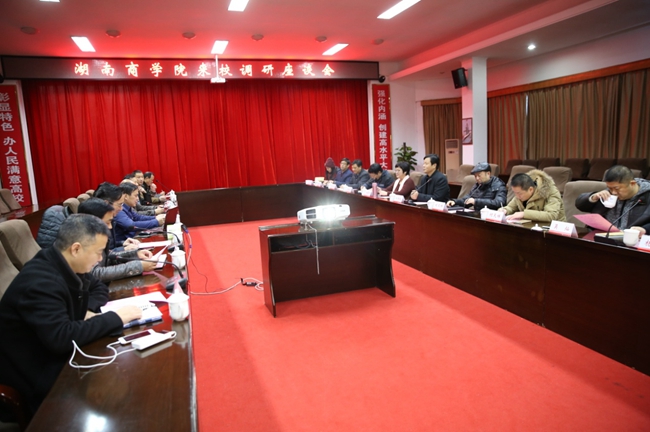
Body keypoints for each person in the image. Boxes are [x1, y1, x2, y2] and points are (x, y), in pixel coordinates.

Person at [0, 214, 142, 415]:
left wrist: (85, 311)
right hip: (38, 375)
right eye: (98, 252)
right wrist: (116, 318)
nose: (100, 259)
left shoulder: (67, 263)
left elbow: (99, 287)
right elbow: (61, 338)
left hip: (60, 354)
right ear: (76, 249)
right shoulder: (40, 282)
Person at [78, 198, 157, 282]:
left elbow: (109, 257)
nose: (110, 227)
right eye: (107, 223)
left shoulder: (95, 236)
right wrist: (138, 267)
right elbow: (96, 273)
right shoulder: (81, 241)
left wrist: (135, 254)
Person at [575, 165, 650, 238]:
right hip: (602, 236)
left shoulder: (647, 195)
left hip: (632, 239)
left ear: (632, 184)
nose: (613, 192)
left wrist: (645, 229)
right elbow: (580, 205)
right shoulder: (608, 193)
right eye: (610, 188)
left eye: (617, 188)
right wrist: (593, 197)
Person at [499, 170, 566, 222]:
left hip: (554, 230)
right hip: (531, 227)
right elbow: (511, 207)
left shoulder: (550, 191)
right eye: (515, 193)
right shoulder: (520, 190)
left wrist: (524, 214)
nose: (517, 196)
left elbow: (551, 215)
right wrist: (505, 210)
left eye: (519, 193)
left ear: (530, 189)